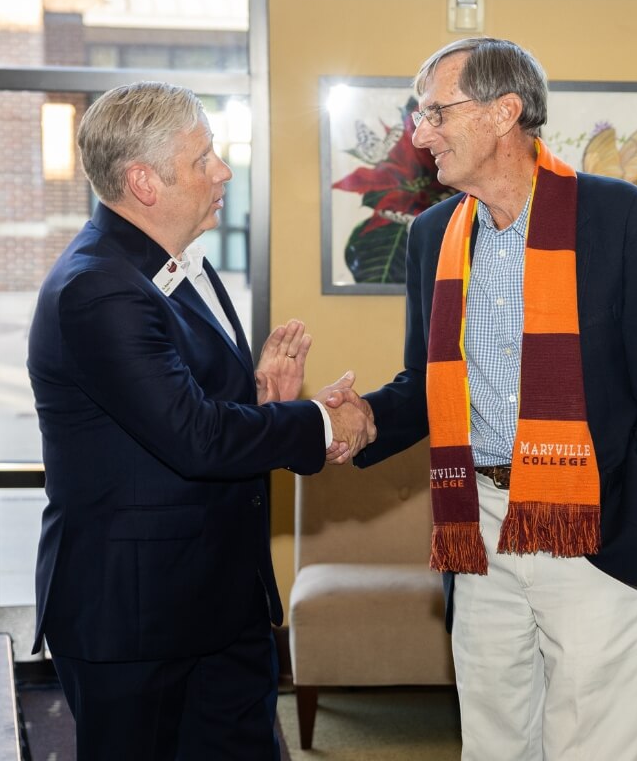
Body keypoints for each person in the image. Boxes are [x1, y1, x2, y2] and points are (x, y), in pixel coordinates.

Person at [347, 37, 637, 759]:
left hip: (595, 522)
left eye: (433, 113)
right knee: (493, 736)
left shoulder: (621, 219)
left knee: (594, 742)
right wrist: (359, 420)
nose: (418, 135)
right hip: (476, 523)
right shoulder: (432, 237)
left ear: (503, 112)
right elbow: (428, 387)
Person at [26, 81, 375, 760]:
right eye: (203, 158)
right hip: (135, 622)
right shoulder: (98, 288)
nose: (223, 171)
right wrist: (322, 425)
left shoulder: (173, 269)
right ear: (143, 182)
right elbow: (194, 438)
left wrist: (260, 402)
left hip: (216, 606)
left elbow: (178, 411)